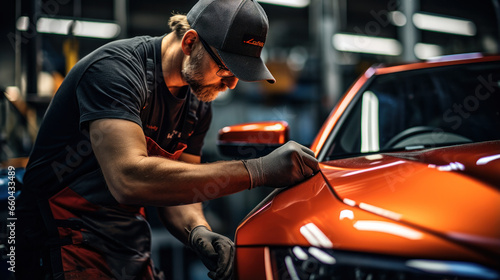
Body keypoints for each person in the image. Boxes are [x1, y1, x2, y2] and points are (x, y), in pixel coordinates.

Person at [16, 0, 319, 279]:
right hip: (61, 242)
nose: (232, 82)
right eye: (226, 68)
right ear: (190, 42)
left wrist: (197, 231)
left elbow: (180, 191)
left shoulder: (197, 105)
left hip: (126, 245)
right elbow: (129, 179)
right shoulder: (114, 73)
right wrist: (258, 171)